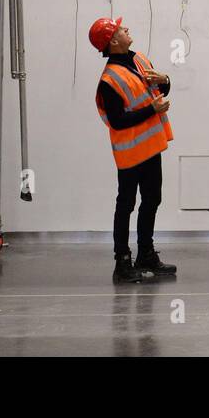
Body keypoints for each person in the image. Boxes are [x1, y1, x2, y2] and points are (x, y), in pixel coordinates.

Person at [89, 15, 178, 284]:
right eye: (121, 29)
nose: (127, 29)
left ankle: (146, 254)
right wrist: (152, 109)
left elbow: (158, 86)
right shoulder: (109, 80)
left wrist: (165, 79)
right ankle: (122, 261)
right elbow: (117, 121)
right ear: (113, 41)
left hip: (151, 146)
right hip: (130, 152)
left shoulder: (138, 59)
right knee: (126, 204)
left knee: (152, 199)